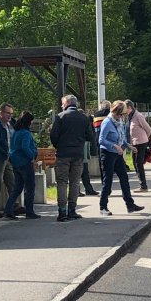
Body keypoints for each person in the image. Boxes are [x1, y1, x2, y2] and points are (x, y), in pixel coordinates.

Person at [50, 94, 94, 222]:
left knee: (62, 182)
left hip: (63, 154)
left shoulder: (60, 116)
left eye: (63, 103)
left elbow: (53, 135)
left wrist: (59, 145)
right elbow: (90, 136)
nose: (61, 105)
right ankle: (72, 210)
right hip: (78, 154)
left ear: (67, 103)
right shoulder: (84, 118)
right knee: (75, 182)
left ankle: (62, 212)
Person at [98, 100, 145, 216]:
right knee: (108, 181)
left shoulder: (119, 122)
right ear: (115, 112)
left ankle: (130, 205)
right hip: (108, 154)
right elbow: (101, 140)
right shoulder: (107, 122)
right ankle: (103, 207)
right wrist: (114, 146)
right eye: (120, 114)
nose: (122, 117)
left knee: (124, 178)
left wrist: (128, 146)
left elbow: (121, 138)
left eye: (123, 115)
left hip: (118, 154)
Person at [3, 111, 40, 220]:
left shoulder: (16, 132)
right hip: (25, 162)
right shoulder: (26, 133)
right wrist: (32, 155)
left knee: (17, 188)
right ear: (29, 122)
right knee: (30, 188)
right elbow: (25, 147)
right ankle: (29, 211)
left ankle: (8, 210)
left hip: (15, 162)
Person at [125, 100, 151, 192]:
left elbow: (148, 129)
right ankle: (142, 184)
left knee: (138, 163)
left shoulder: (138, 116)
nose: (123, 110)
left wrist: (144, 138)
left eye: (125, 108)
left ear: (129, 107)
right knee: (135, 163)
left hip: (140, 143)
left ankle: (143, 186)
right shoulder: (130, 116)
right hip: (134, 143)